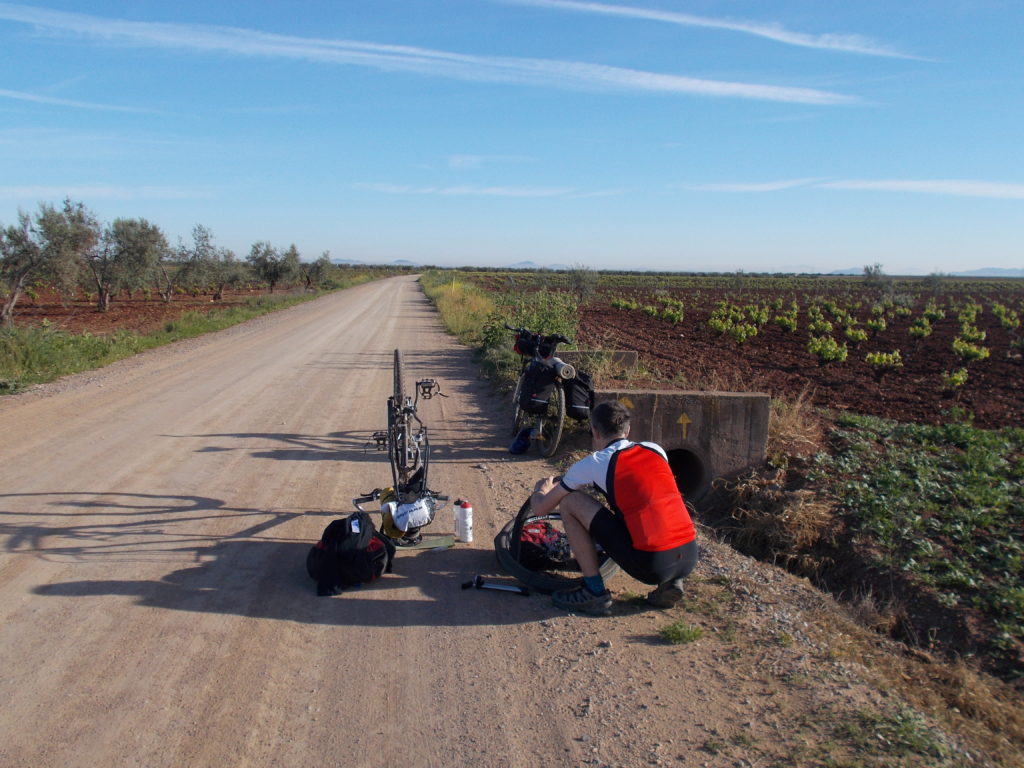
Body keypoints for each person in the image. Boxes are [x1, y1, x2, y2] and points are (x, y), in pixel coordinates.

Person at [530, 400, 698, 616]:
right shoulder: (654, 449)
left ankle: (593, 591)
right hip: (689, 555)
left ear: (595, 432)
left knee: (570, 502)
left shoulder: (594, 462)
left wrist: (541, 490)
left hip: (651, 564)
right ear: (627, 430)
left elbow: (540, 509)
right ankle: (672, 581)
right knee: (651, 508)